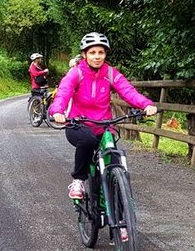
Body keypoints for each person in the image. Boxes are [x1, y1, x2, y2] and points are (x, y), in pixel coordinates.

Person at [50, 32, 157, 199]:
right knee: (87, 141)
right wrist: (57, 111)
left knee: (113, 155)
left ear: (105, 54)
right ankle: (78, 180)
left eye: (101, 52)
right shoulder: (76, 73)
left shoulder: (111, 73)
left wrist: (146, 104)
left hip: (104, 125)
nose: (97, 57)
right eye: (92, 53)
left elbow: (128, 91)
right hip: (78, 124)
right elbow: (63, 93)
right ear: (84, 54)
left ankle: (119, 206)